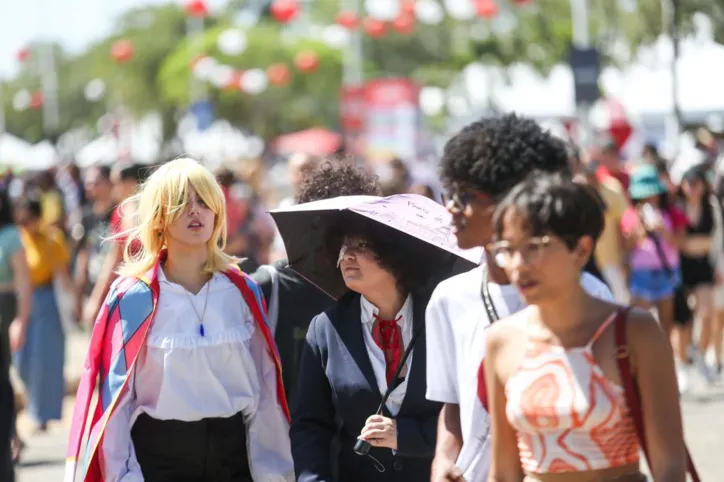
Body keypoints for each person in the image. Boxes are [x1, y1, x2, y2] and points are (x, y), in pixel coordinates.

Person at [65, 158, 293, 482]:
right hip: (157, 462)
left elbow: (265, 394)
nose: (195, 211)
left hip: (233, 461)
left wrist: (274, 473)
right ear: (159, 217)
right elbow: (115, 406)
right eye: (182, 203)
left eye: (204, 201)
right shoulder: (132, 298)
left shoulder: (243, 292)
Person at [426, 114, 613, 482]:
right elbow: (453, 403)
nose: (450, 208)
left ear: (513, 201)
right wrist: (443, 458)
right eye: (450, 193)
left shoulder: (590, 296)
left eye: (464, 197)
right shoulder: (448, 298)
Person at [483, 173, 687, 482]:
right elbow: (503, 471)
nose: (518, 264)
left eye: (536, 246)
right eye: (507, 249)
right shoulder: (501, 340)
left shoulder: (635, 332)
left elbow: (670, 465)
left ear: (582, 248)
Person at [291, 213, 443, 482]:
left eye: (361, 246)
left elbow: (467, 414)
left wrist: (405, 436)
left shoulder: (441, 318)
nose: (347, 256)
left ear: (395, 252)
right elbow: (310, 425)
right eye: (343, 246)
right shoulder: (326, 328)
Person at [251, 159, 382, 404]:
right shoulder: (266, 288)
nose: (345, 247)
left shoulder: (374, 294)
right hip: (281, 437)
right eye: (332, 232)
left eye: (357, 238)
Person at [14, 197, 76, 432]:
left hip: (46, 299)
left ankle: (42, 414)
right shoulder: (17, 239)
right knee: (22, 360)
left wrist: (73, 302)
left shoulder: (52, 239)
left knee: (46, 359)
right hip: (21, 300)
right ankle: (32, 405)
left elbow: (62, 273)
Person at [0, 184, 31, 478]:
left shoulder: (10, 236)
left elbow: (23, 281)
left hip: (4, 309)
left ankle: (10, 437)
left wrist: (20, 320)